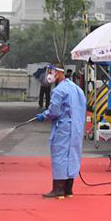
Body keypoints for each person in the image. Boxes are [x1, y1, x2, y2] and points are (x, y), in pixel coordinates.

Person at [36, 65, 87, 199]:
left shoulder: (58, 91)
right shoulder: (76, 88)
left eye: (51, 72)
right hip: (76, 128)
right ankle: (68, 190)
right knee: (73, 155)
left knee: (60, 156)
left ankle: (58, 189)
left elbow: (54, 112)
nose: (49, 75)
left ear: (58, 73)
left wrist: (44, 115)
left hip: (63, 128)